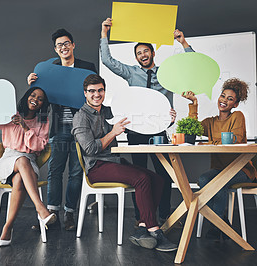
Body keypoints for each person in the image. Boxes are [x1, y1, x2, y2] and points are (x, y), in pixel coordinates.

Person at [100, 18, 195, 224]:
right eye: (139, 53)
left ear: (153, 53)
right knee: (139, 175)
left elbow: (191, 66)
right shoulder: (131, 72)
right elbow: (108, 62)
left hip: (159, 132)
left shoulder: (166, 73)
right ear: (136, 57)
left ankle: (164, 214)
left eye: (145, 51)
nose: (143, 55)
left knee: (164, 173)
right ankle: (141, 216)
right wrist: (104, 34)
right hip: (136, 132)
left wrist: (183, 42)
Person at [72, 74, 177, 252]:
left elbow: (140, 121)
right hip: (96, 167)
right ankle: (154, 230)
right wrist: (113, 133)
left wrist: (166, 120)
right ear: (85, 93)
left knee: (158, 179)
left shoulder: (109, 111)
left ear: (104, 91)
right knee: (142, 178)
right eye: (92, 91)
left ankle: (143, 227)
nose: (96, 94)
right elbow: (90, 149)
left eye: (100, 90)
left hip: (114, 162)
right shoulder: (81, 117)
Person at [27, 28, 97, 231]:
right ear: (55, 50)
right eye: (59, 45)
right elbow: (38, 100)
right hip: (58, 126)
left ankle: (70, 213)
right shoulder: (47, 70)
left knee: (76, 172)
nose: (64, 47)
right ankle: (52, 213)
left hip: (82, 127)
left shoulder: (87, 68)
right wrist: (33, 86)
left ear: (73, 45)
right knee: (54, 171)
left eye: (67, 43)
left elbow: (95, 94)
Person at [0, 87, 56, 246]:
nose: (35, 99)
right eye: (33, 95)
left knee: (21, 173)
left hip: (29, 162)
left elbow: (38, 147)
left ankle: (8, 226)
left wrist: (25, 127)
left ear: (43, 104)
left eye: (40, 98)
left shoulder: (43, 122)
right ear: (27, 96)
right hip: (7, 160)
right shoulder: (11, 113)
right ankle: (40, 208)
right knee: (20, 160)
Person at [182, 78, 256, 240]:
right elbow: (192, 128)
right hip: (219, 170)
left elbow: (233, 139)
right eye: (223, 96)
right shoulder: (211, 122)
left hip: (241, 169)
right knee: (203, 179)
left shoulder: (237, 116)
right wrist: (194, 103)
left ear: (235, 104)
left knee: (218, 182)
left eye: (230, 99)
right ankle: (222, 222)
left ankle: (215, 226)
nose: (224, 100)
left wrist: (208, 142)